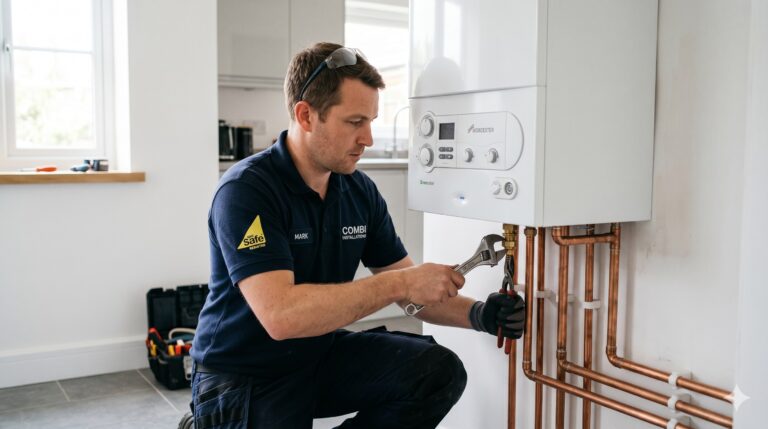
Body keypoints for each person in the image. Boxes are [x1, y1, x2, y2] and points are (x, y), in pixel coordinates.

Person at [190, 42, 526, 429]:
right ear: (306, 115)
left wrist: (479, 314)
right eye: (354, 122)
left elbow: (410, 292)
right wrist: (400, 283)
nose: (367, 137)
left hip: (316, 356)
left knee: (436, 372)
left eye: (371, 121)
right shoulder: (247, 190)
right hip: (243, 375)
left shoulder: (357, 191)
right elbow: (281, 317)